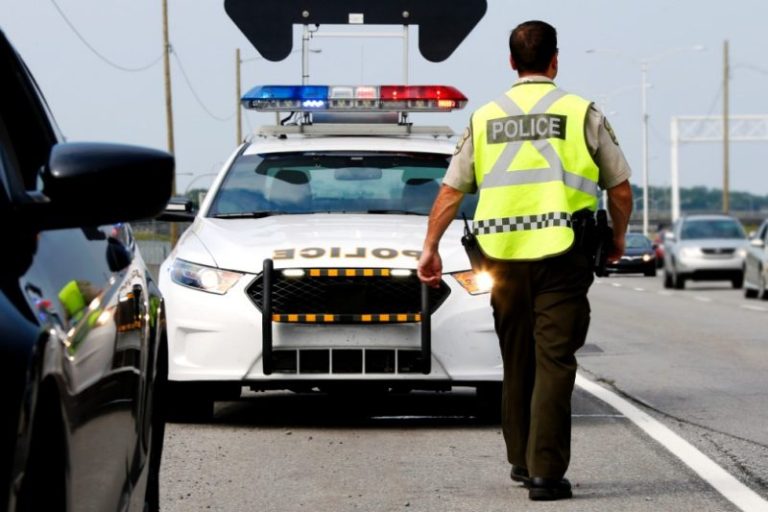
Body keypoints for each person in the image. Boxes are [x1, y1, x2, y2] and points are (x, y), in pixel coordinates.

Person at [417, 20, 633, 501]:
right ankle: (546, 473)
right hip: (563, 253)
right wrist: (617, 240)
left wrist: (430, 247)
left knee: (516, 359)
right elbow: (619, 188)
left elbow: (452, 190)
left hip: (501, 257)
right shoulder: (580, 112)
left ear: (511, 62)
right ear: (555, 60)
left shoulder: (485, 117)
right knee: (554, 359)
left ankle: (521, 459)